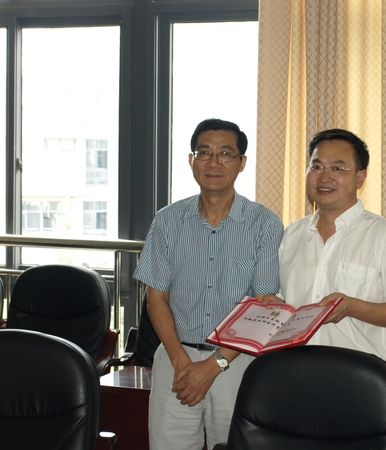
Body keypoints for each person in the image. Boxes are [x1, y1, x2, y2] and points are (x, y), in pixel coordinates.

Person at [133, 118, 283, 450]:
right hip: (176, 359)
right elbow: (156, 298)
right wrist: (181, 361)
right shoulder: (167, 220)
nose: (213, 162)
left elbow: (264, 306)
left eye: (225, 153)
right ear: (191, 160)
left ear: (242, 163)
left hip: (237, 362)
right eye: (204, 152)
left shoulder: (265, 224)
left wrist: (214, 365)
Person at [269, 128, 386, 363]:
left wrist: (351, 307)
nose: (324, 177)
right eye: (316, 166)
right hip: (295, 368)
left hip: (358, 374)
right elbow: (285, 302)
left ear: (360, 177)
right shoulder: (292, 233)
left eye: (338, 168)